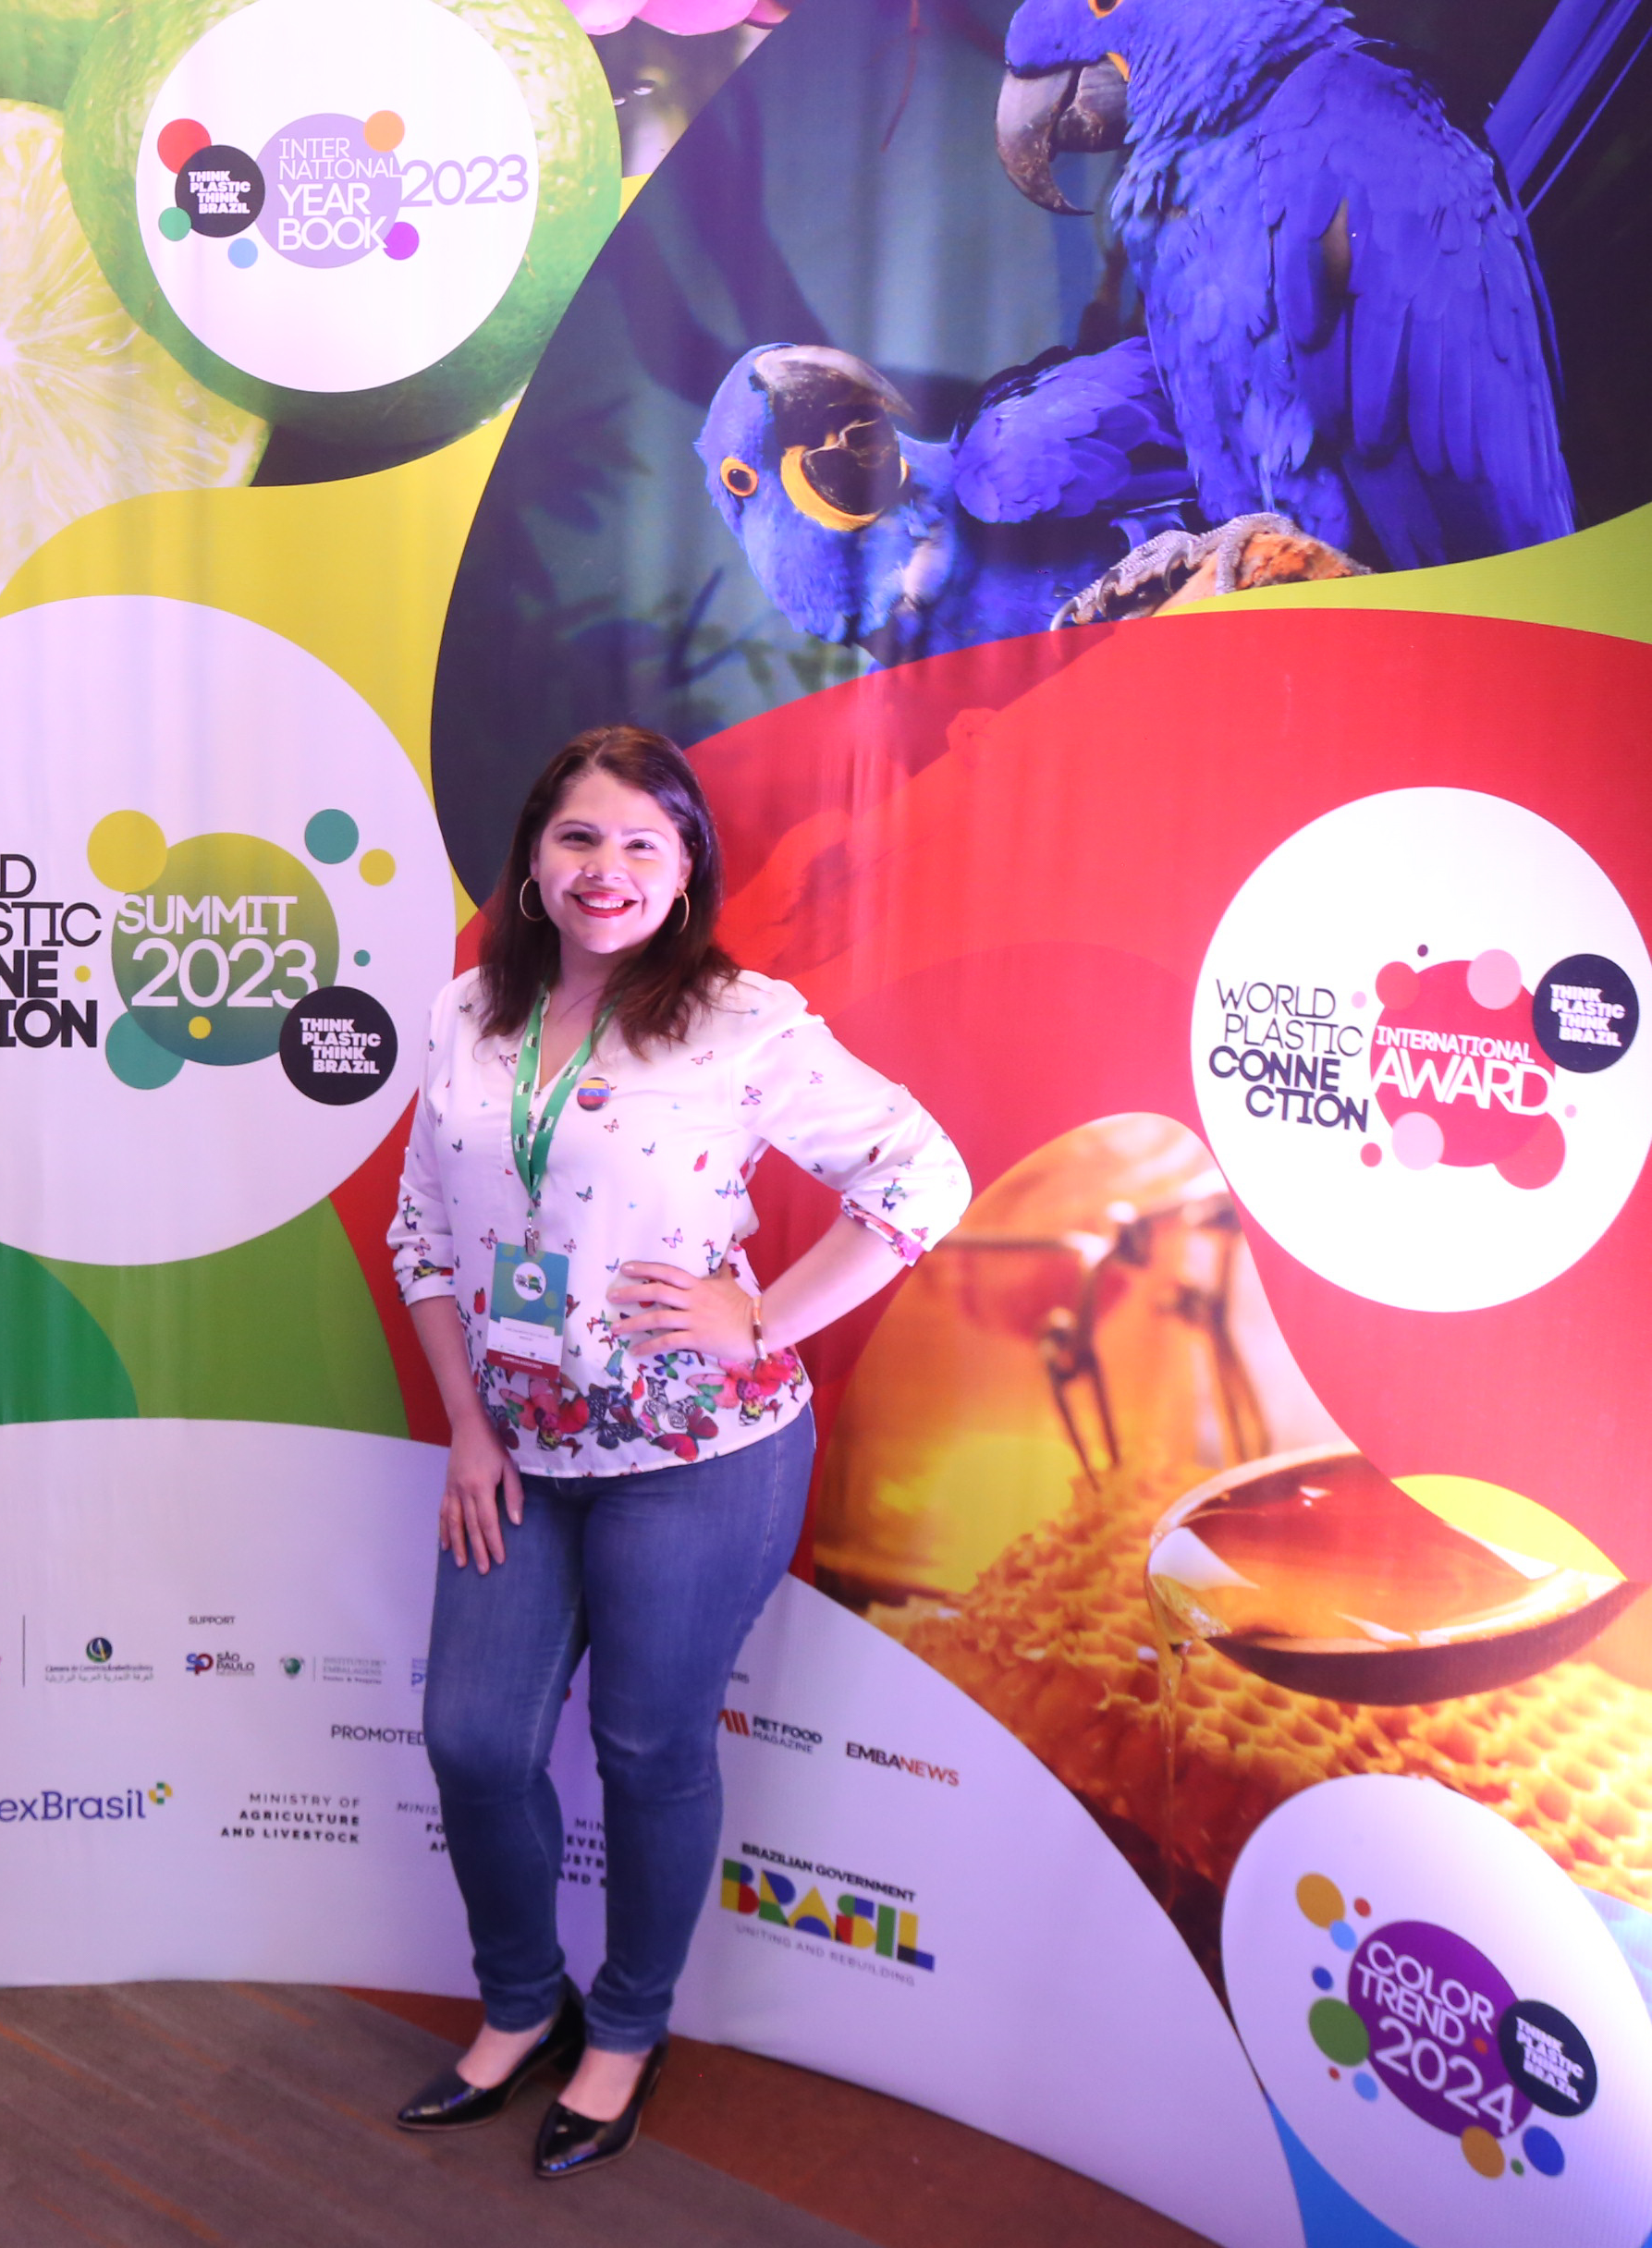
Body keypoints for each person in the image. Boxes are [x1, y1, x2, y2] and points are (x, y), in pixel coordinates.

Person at [385, 726, 967, 2178]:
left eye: (645, 842)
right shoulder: (465, 1015)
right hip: (516, 1453)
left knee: (647, 1750)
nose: (609, 869)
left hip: (699, 1453)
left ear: (687, 867)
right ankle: (525, 2003)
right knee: (473, 1740)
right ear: (533, 860)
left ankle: (629, 2030)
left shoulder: (740, 1024)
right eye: (580, 837)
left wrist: (762, 1316)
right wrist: (466, 1428)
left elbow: (923, 1174)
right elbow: (424, 1234)